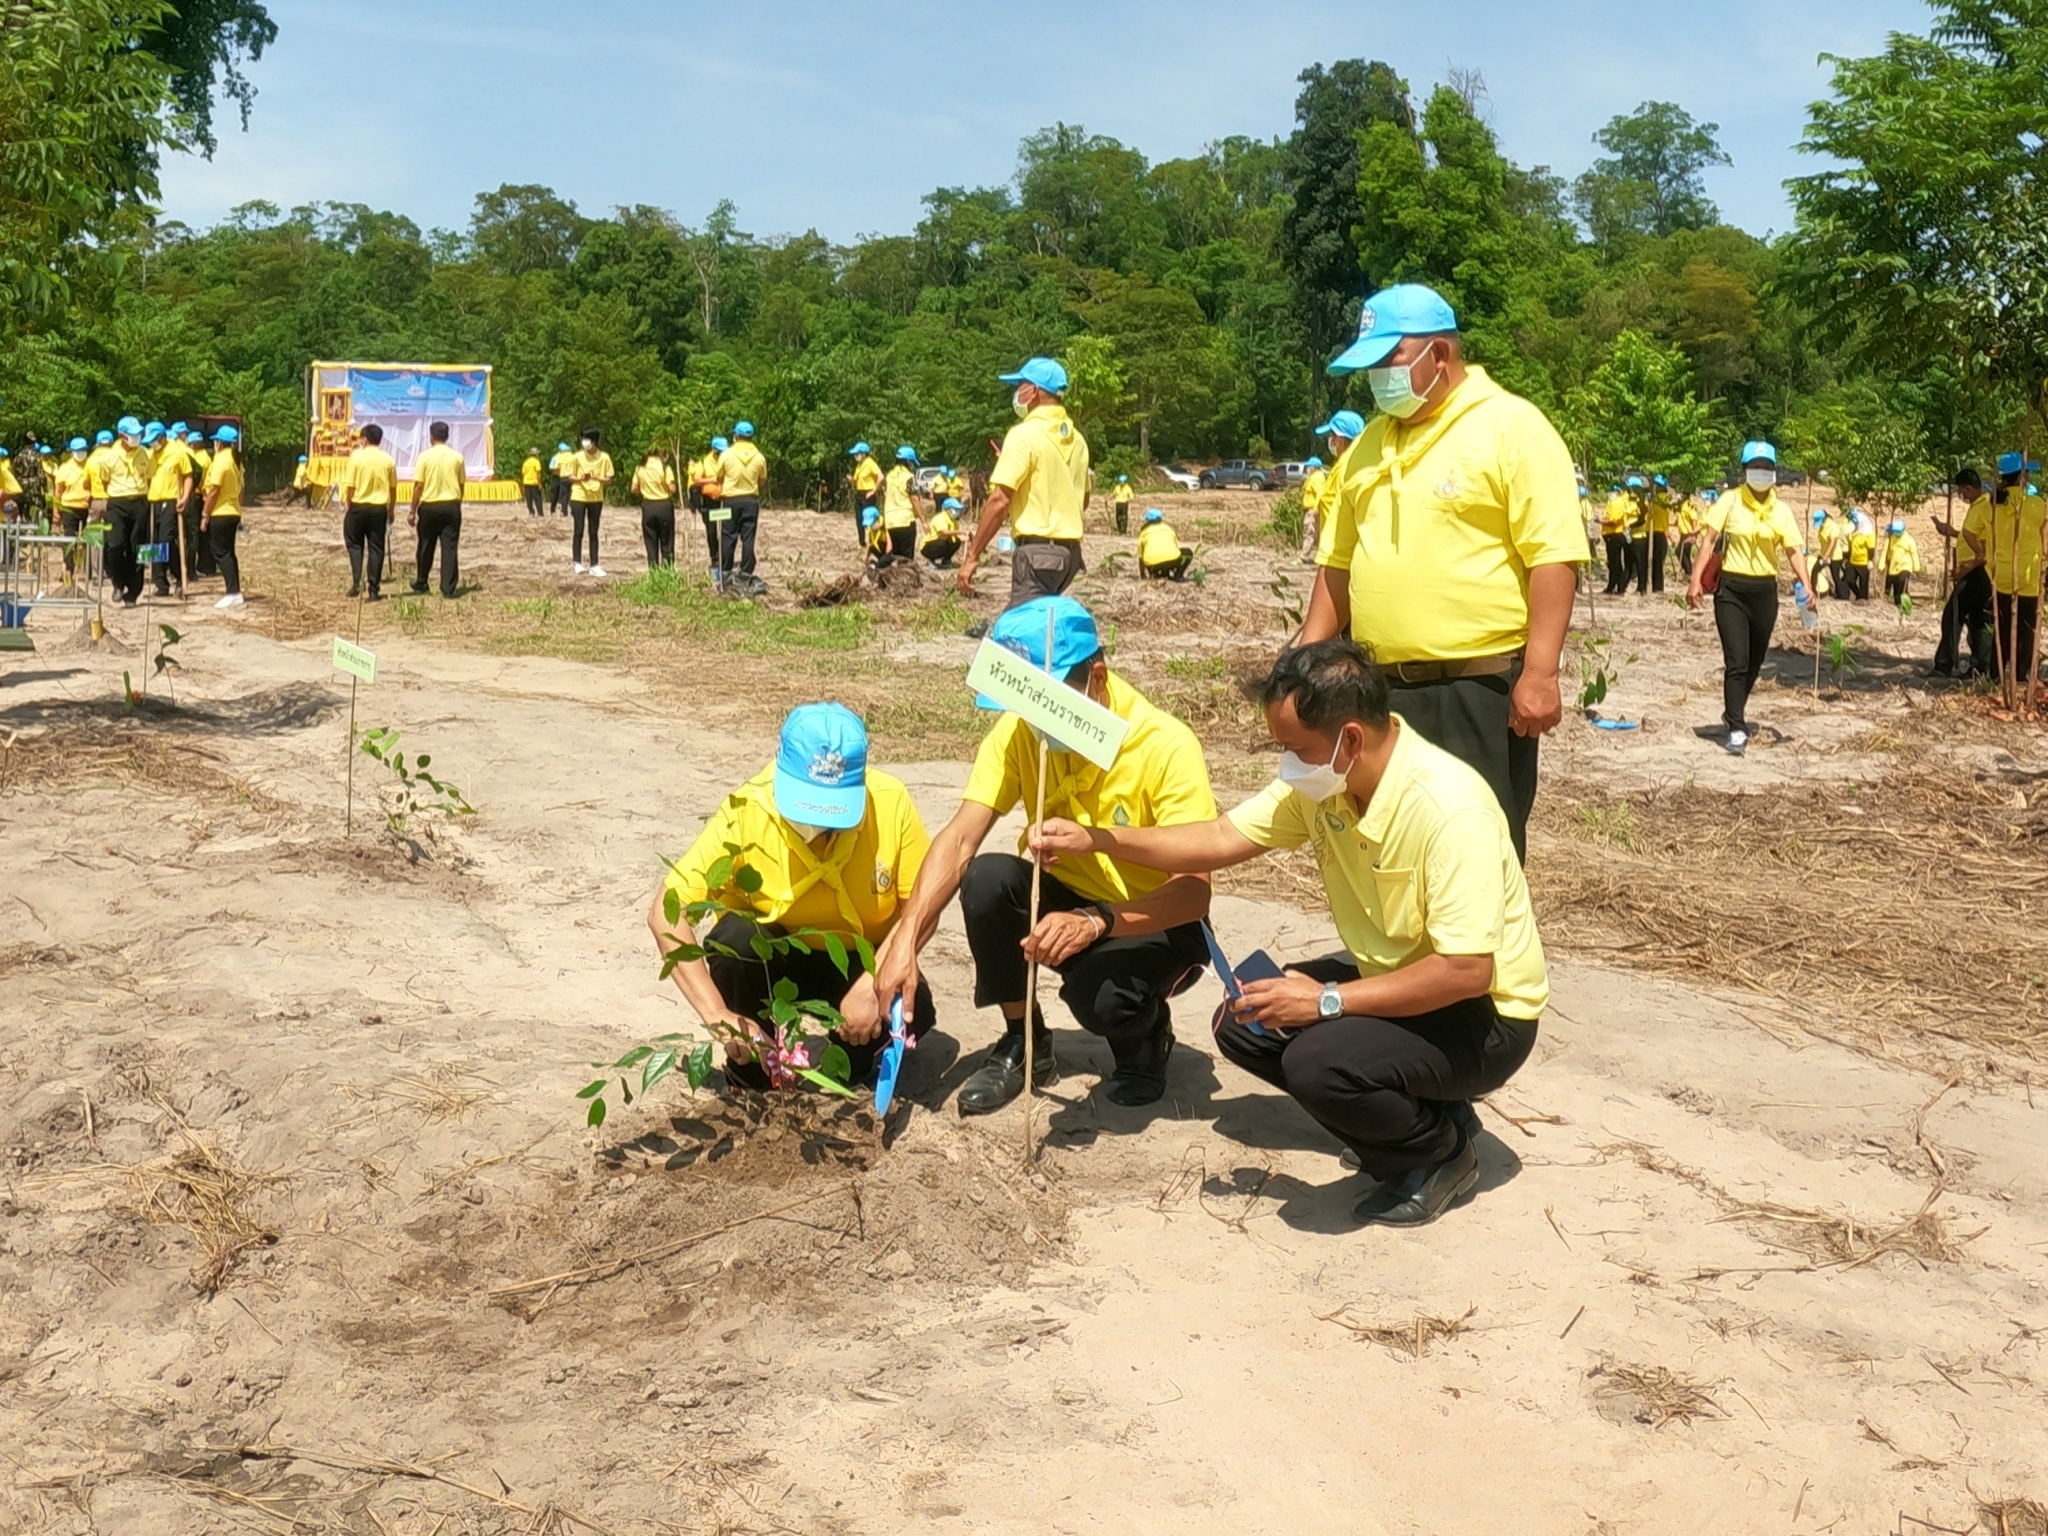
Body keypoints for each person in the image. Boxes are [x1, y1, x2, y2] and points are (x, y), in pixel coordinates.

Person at [1032, 639, 1546, 1226]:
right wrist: (1098, 838)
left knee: (1316, 1062)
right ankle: (1432, 1111)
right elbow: (1220, 839)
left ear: (1350, 738)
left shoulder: (1450, 811)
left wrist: (1324, 1001)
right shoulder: (1326, 784)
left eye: (1295, 749)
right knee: (1245, 1020)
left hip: (1484, 1013)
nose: (1287, 764)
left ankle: (1437, 1156)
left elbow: (1465, 971)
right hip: (1399, 977)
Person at [872, 596, 1215, 1112]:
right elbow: (962, 837)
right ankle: (1023, 1040)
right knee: (987, 880)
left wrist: (1097, 921)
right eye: (1027, 708)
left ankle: (1146, 1038)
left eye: (1051, 705)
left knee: (1102, 998)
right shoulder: (1020, 735)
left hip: (1152, 916)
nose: (1037, 723)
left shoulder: (1165, 745)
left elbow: (1194, 892)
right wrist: (905, 940)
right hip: (1066, 893)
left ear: (1096, 678)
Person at [1300, 282, 1583, 864]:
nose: (1378, 377)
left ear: (1438, 354)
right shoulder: (1367, 446)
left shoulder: (1511, 427)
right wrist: (1301, 663)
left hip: (1475, 690)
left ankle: (1479, 961)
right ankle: (1400, 959)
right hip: (1378, 689)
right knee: (1386, 849)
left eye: (1389, 359)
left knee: (1477, 853)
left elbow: (1552, 555)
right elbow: (1337, 564)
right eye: (1370, 365)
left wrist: (1540, 671)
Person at [646, 703, 938, 1092]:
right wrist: (717, 1013)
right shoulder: (747, 810)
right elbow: (666, 913)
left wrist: (873, 980)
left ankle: (848, 1059)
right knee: (735, 941)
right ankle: (753, 1066)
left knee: (909, 1011)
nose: (818, 825)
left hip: (858, 959)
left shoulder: (890, 803)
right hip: (772, 957)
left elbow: (922, 906)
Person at [1687, 441, 1816, 757]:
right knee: (1737, 661)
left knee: (1756, 661)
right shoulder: (1729, 501)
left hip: (1764, 593)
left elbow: (1793, 551)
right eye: (1755, 467)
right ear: (1744, 470)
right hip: (1732, 590)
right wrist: (1695, 581)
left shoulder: (1782, 510)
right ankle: (1735, 725)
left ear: (1774, 472)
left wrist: (1807, 585)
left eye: (1766, 467)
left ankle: (1733, 710)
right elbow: (1709, 542)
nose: (1761, 472)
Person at [956, 357, 1090, 608]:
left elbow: (999, 500)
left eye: (1021, 385)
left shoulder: (1023, 434)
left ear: (1035, 392)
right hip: (1070, 556)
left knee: (1017, 636)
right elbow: (1082, 500)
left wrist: (972, 556)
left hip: (1038, 554)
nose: (1017, 392)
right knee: (1041, 626)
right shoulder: (1078, 440)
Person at [1962, 450, 2045, 686]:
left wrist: (1981, 553)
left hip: (1999, 576)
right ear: (2021, 476)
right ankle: (2022, 677)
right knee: (2026, 629)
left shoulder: (1990, 503)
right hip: (2027, 577)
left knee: (2002, 627)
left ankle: (1996, 675)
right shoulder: (2037, 504)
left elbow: (1968, 531)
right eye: (2027, 473)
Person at [1934, 469, 1993, 678]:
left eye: (1962, 492)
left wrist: (1969, 565)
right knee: (1978, 619)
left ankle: (1944, 664)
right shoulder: (1979, 506)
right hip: (1974, 570)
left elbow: (1987, 543)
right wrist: (1953, 532)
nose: (1962, 496)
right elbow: (1974, 534)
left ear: (1969, 488)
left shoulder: (1984, 507)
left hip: (1977, 572)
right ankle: (1979, 667)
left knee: (1953, 614)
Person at [409, 421, 468, 599]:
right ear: (447, 436)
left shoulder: (424, 457)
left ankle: (422, 580)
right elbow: (461, 484)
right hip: (451, 505)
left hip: (430, 506)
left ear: (431, 436)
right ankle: (448, 588)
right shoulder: (457, 457)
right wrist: (458, 503)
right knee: (449, 547)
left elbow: (419, 485)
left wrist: (412, 509)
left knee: (426, 545)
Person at [341, 423, 398, 600]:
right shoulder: (388, 460)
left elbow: (350, 485)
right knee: (376, 548)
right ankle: (374, 589)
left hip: (358, 506)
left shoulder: (357, 457)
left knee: (354, 544)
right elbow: (393, 488)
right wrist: (391, 509)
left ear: (364, 439)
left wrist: (348, 503)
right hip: (378, 509)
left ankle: (357, 581)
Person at [101, 416, 154, 606]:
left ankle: (133, 592)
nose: (137, 437)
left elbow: (149, 477)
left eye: (138, 433)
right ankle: (118, 582)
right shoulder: (108, 457)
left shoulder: (146, 454)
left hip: (139, 502)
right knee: (115, 544)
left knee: (138, 549)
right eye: (132, 434)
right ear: (122, 435)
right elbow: (105, 481)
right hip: (117, 503)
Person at [716, 420, 768, 593]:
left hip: (728, 500)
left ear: (736, 435)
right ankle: (745, 572)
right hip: (750, 500)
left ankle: (725, 573)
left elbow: (719, 478)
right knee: (748, 538)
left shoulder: (726, 454)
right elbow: (762, 480)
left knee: (727, 536)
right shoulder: (760, 457)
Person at [143, 421, 193, 598]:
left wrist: (185, 497)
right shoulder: (150, 455)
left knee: (166, 540)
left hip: (172, 500)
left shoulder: (178, 453)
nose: (151, 443)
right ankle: (160, 582)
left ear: (162, 437)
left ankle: (179, 577)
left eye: (154, 439)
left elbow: (188, 476)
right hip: (153, 501)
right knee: (153, 543)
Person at [1307, 411, 1364, 563]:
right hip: (1335, 549)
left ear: (1339, 439)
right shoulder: (1344, 463)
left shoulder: (1347, 467)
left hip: (1339, 552)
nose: (1330, 441)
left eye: (1331, 436)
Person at [199, 425, 246, 610]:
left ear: (219, 442)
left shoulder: (221, 461)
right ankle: (235, 591)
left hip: (220, 512)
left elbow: (214, 490)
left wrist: (205, 514)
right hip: (233, 511)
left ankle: (232, 592)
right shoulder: (236, 462)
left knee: (220, 552)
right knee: (229, 553)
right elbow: (242, 490)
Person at [566, 428, 613, 576]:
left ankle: (594, 564)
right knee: (578, 529)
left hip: (595, 497)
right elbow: (570, 476)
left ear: (594, 441)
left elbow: (609, 479)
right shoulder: (577, 456)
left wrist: (598, 478)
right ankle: (577, 562)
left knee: (594, 532)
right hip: (579, 496)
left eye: (587, 439)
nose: (584, 442)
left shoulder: (604, 457)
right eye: (583, 439)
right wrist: (581, 479)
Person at [49, 439, 91, 582]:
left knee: (88, 541)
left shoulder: (91, 466)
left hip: (87, 507)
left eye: (83, 450)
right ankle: (68, 569)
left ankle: (87, 571)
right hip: (68, 507)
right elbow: (58, 492)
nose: (81, 453)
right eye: (78, 451)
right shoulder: (64, 469)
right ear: (72, 452)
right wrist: (56, 511)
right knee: (69, 539)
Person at [633, 446, 678, 569]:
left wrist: (645, 490)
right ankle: (668, 572)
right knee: (667, 541)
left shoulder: (640, 467)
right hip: (663, 505)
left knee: (651, 542)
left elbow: (634, 488)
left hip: (648, 506)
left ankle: (653, 573)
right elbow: (672, 489)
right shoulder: (665, 467)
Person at [693, 437, 729, 581]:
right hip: (710, 502)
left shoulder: (727, 459)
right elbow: (697, 480)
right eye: (720, 452)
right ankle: (714, 557)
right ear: (714, 450)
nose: (722, 454)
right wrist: (713, 479)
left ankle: (725, 557)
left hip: (724, 500)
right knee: (711, 530)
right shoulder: (704, 462)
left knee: (726, 530)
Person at [181, 428, 215, 581]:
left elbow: (197, 476)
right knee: (196, 534)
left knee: (194, 534)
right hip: (195, 495)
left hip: (194, 495)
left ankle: (192, 568)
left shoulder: (200, 458)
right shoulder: (202, 457)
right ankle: (196, 567)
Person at [879, 446, 921, 567]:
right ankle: (905, 579)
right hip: (905, 520)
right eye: (912, 462)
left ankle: (878, 569)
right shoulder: (909, 477)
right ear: (908, 461)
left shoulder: (888, 476)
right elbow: (914, 498)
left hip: (891, 520)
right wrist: (923, 518)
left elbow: (884, 497)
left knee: (894, 553)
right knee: (906, 557)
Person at [1137, 508, 1191, 581]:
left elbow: (1141, 556)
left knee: (1147, 555)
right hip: (1172, 561)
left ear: (1148, 520)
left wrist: (1142, 574)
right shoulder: (1168, 528)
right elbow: (1174, 547)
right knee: (1187, 552)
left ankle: (1155, 574)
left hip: (1153, 565)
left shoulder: (1144, 532)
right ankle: (1178, 575)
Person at [849, 441, 883, 548]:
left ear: (864, 454)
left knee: (870, 518)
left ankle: (875, 540)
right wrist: (851, 480)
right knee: (859, 519)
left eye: (857, 454)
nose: (856, 456)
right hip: (859, 494)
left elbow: (881, 477)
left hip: (868, 494)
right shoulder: (859, 465)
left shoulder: (870, 463)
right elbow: (856, 480)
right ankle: (862, 542)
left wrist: (874, 490)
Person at [1599, 483, 1631, 595]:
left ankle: (1616, 587)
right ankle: (1615, 586)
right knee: (1614, 563)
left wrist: (1600, 521)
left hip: (1614, 535)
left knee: (1614, 563)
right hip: (1613, 535)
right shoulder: (1613, 502)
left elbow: (1614, 521)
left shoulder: (1616, 503)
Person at [1622, 475, 1651, 595]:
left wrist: (1630, 525)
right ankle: (1622, 587)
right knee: (1628, 563)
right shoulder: (1629, 501)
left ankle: (1642, 587)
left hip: (1640, 537)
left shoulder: (1643, 504)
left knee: (1640, 564)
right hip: (1630, 536)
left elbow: (1642, 520)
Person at [1884, 518, 1921, 607]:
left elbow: (1914, 554)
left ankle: (1904, 602)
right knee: (1895, 584)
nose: (1897, 533)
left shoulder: (1909, 540)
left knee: (1902, 581)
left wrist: (1916, 568)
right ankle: (1899, 602)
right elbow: (1887, 552)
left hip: (1906, 565)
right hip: (1894, 565)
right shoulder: (1891, 539)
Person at [1818, 504, 1852, 600]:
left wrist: (1826, 556)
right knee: (1816, 571)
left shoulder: (1833, 526)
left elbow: (1833, 543)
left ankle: (1843, 595)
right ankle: (1818, 591)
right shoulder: (1822, 526)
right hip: (1824, 554)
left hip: (1834, 556)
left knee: (1835, 576)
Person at [1298, 456, 1328, 564]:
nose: (1307, 468)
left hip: (1312, 510)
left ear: (1314, 467)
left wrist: (1315, 508)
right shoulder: (1314, 476)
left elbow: (1320, 493)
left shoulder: (1317, 478)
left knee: (1309, 532)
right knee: (1310, 532)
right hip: (1309, 509)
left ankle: (1304, 556)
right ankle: (1309, 555)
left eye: (1309, 466)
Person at [1647, 474, 1674, 593]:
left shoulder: (1659, 499)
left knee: (1656, 563)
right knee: (1657, 563)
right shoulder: (1663, 498)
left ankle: (1657, 587)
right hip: (1659, 532)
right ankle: (1657, 587)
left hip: (1656, 532)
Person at [1844, 511, 1875, 601]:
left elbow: (1871, 548)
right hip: (1853, 561)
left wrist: (1870, 560)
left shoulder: (1869, 533)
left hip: (1863, 562)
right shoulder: (1853, 532)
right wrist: (1847, 558)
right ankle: (1858, 594)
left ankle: (1862, 599)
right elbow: (1851, 546)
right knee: (1849, 579)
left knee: (1863, 584)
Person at [922, 497, 963, 567]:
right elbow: (945, 532)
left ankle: (946, 560)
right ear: (947, 509)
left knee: (956, 541)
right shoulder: (940, 518)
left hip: (942, 542)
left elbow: (953, 534)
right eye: (955, 509)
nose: (957, 511)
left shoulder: (953, 521)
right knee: (942, 542)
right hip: (929, 545)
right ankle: (930, 560)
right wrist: (960, 532)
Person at [548, 441, 574, 516]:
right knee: (571, 494)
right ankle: (570, 511)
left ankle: (561, 511)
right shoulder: (573, 456)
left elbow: (552, 467)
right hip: (571, 477)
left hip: (560, 476)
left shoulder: (556, 457)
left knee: (562, 495)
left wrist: (560, 469)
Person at [520, 448, 544, 517]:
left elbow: (523, 473)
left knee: (528, 499)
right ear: (536, 454)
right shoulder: (536, 462)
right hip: (534, 482)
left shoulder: (526, 462)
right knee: (538, 498)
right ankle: (540, 513)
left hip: (526, 482)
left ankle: (531, 512)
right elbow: (538, 473)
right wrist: (540, 483)